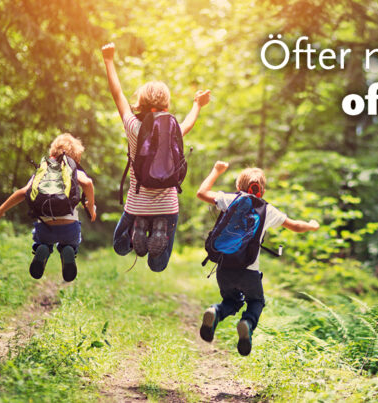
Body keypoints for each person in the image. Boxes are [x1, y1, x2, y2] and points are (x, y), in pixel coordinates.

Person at [101, 42, 210, 272]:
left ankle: (139, 225)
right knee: (157, 265)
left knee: (120, 246)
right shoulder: (173, 130)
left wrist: (109, 60)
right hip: (168, 205)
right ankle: (157, 225)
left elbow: (117, 93)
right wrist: (197, 105)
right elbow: (188, 123)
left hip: (137, 203)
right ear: (166, 104)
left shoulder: (134, 127)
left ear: (141, 102)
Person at [196, 161, 319, 355]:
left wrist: (216, 171)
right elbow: (295, 226)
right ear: (262, 190)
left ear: (239, 186)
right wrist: (312, 225)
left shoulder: (230, 199)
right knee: (256, 302)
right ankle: (247, 323)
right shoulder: (268, 210)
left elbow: (201, 193)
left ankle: (215, 312)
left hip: (224, 268)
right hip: (250, 272)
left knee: (232, 300)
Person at [0, 133, 96, 282]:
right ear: (76, 157)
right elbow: (88, 183)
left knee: (42, 241)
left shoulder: (43, 170)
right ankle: (69, 250)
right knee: (71, 243)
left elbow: (23, 192)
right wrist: (91, 207)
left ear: (52, 152)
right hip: (69, 228)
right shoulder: (72, 169)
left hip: (45, 228)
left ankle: (43, 248)